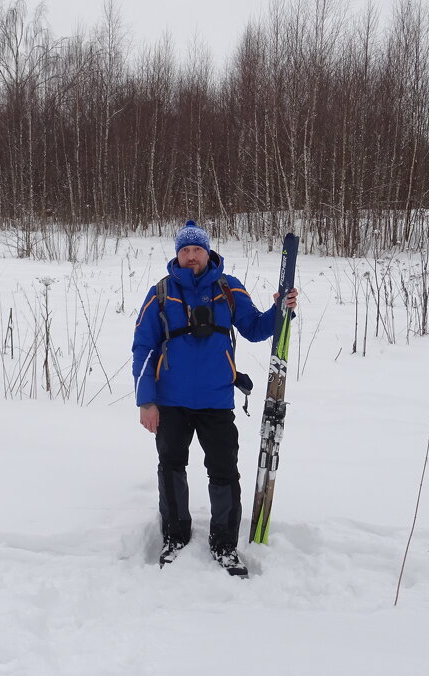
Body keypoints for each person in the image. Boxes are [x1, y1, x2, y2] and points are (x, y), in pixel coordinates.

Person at [131, 220, 298, 576]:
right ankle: (175, 537)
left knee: (223, 471)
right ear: (177, 254)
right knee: (171, 467)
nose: (192, 256)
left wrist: (280, 311)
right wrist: (146, 401)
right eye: (185, 250)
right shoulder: (161, 292)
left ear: (208, 252)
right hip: (171, 401)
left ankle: (224, 544)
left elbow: (254, 328)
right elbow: (143, 347)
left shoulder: (228, 288)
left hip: (216, 400)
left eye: (198, 250)